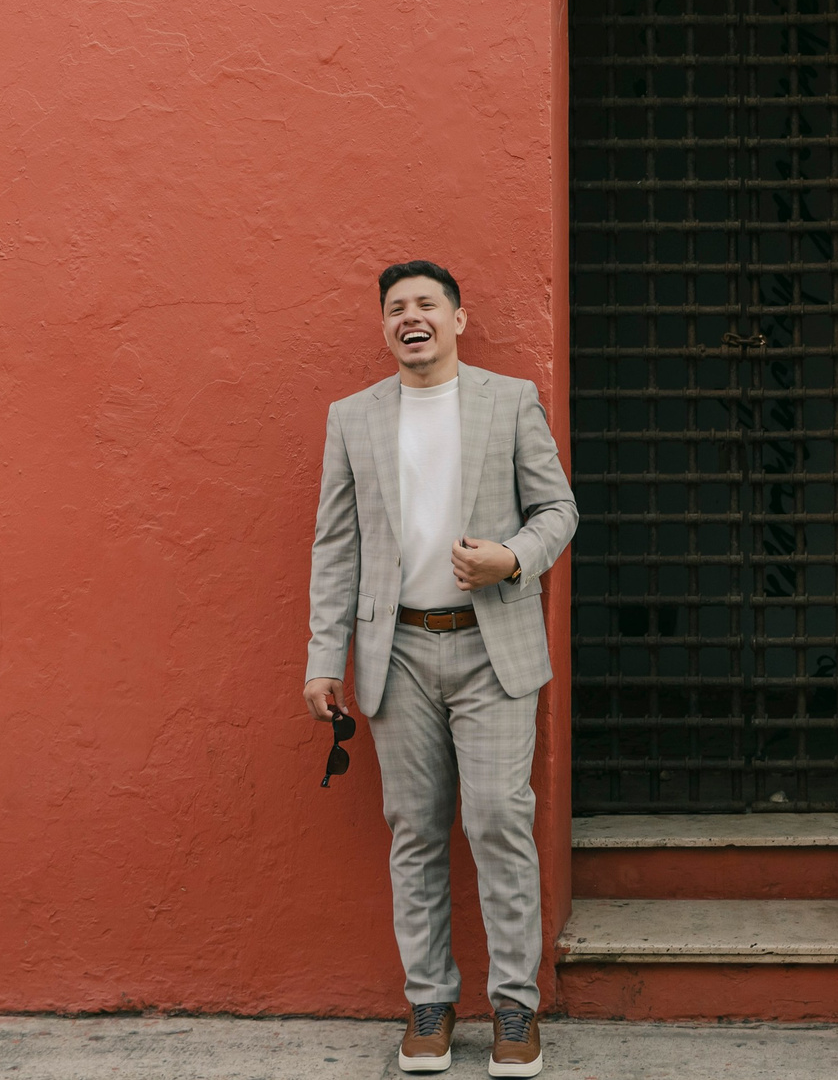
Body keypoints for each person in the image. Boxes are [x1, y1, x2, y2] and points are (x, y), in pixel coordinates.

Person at [302, 260, 578, 1079]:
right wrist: (325, 656)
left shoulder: (510, 399)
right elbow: (335, 544)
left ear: (460, 318)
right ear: (384, 327)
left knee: (497, 819)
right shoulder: (352, 418)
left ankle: (515, 1006)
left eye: (426, 304)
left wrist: (512, 557)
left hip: (493, 646)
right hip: (399, 652)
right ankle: (430, 1001)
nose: (410, 316)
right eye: (396, 308)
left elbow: (558, 509)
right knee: (415, 828)